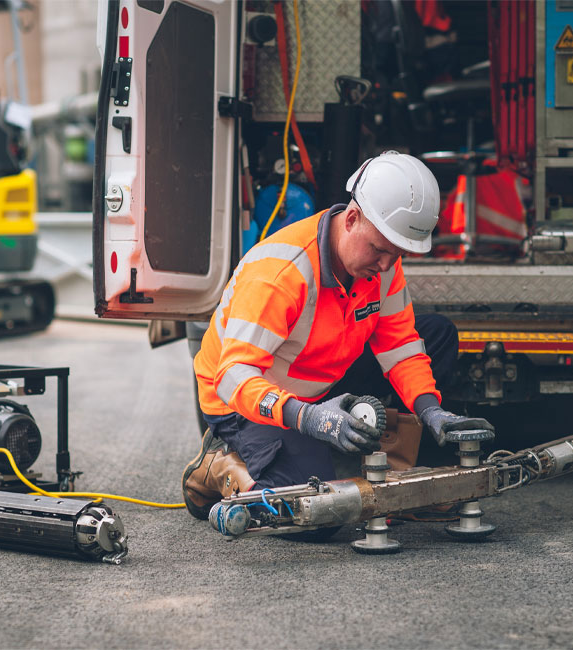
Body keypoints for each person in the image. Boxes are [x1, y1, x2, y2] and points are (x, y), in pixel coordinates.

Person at [182, 151, 494, 521]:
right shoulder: (280, 274)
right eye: (379, 250)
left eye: (396, 254)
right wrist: (309, 418)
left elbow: (399, 343)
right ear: (351, 219)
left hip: (323, 375)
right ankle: (218, 466)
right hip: (244, 400)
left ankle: (392, 478)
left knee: (437, 333)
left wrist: (431, 410)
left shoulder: (382, 261)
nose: (385, 265)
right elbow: (234, 376)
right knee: (316, 514)